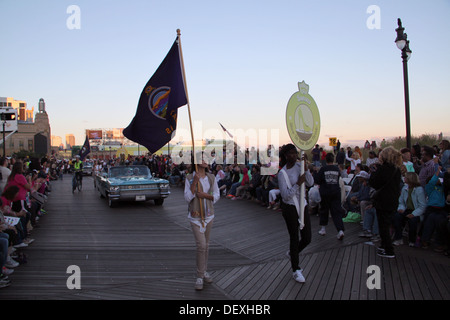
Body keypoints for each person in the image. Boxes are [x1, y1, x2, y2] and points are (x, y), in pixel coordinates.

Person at [278, 144, 314, 283]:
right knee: (294, 237)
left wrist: (306, 168)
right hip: (290, 208)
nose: (293, 155)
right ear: (285, 156)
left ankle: (293, 254)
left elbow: (310, 183)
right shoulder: (283, 173)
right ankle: (296, 269)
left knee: (307, 237)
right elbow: (285, 195)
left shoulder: (300, 167)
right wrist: (298, 184)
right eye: (290, 153)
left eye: (295, 153)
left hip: (302, 205)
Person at [184, 153, 220, 291]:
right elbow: (187, 198)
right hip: (195, 216)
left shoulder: (211, 177)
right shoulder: (189, 178)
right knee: (201, 245)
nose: (206, 161)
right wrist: (194, 182)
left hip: (209, 215)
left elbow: (217, 195)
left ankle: (204, 271)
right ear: (197, 162)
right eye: (203, 158)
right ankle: (200, 275)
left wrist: (206, 196)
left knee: (207, 245)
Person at [369, 147, 402, 258]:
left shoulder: (383, 169)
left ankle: (389, 250)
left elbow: (374, 183)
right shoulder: (397, 169)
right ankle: (384, 245)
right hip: (392, 200)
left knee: (383, 226)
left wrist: (373, 172)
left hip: (383, 201)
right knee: (386, 224)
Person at [315, 153, 345, 240]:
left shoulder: (323, 169)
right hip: (335, 192)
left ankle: (323, 229)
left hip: (325, 192)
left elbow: (317, 180)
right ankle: (340, 230)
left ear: (326, 160)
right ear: (333, 159)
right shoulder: (337, 169)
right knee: (336, 212)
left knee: (324, 210)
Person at [393, 172, 427, 247]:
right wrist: (401, 208)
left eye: (406, 177)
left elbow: (422, 206)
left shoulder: (419, 190)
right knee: (397, 216)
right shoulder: (404, 188)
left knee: (413, 220)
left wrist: (413, 214)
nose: (404, 178)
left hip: (416, 211)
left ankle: (412, 240)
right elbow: (401, 201)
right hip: (406, 209)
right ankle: (398, 238)